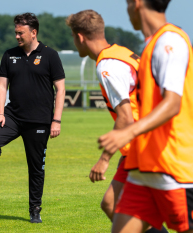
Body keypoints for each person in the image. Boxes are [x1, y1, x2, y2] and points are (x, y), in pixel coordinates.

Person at [98, 0, 193, 232]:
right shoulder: (152, 44)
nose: (126, 10)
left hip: (176, 167)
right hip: (145, 170)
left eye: (127, 3)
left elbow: (172, 104)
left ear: (137, 3)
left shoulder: (170, 41)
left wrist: (127, 132)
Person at [66, 10, 167, 233]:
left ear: (80, 37)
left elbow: (125, 116)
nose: (75, 43)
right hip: (141, 143)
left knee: (169, 210)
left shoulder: (107, 66)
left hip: (142, 145)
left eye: (74, 38)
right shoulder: (120, 52)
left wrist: (104, 159)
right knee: (112, 204)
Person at [0, 12, 66, 224]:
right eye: (15, 33)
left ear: (33, 32)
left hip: (39, 120)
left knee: (36, 167)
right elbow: (2, 85)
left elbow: (60, 88)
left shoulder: (50, 55)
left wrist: (56, 120)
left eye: (20, 33)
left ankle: (35, 209)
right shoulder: (9, 55)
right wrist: (0, 113)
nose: (17, 37)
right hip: (12, 116)